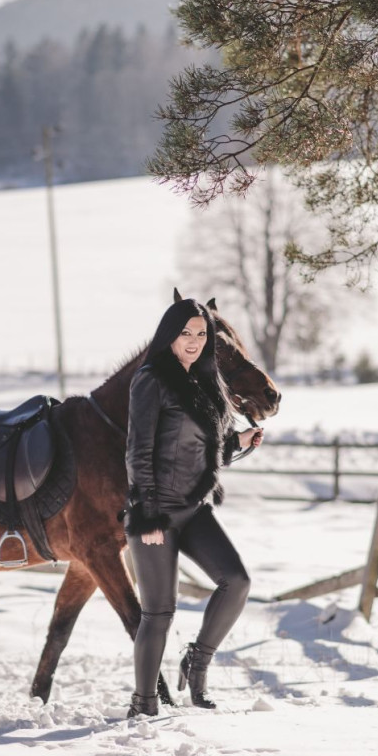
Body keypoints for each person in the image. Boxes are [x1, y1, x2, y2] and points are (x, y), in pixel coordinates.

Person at [123, 297, 263, 718]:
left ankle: (196, 661)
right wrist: (146, 514)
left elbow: (201, 451)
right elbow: (138, 452)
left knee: (236, 581)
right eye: (186, 333)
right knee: (159, 612)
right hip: (156, 512)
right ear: (169, 335)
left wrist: (236, 444)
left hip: (194, 509)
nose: (194, 341)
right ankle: (144, 703)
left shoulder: (204, 383)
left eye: (201, 334)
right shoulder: (150, 380)